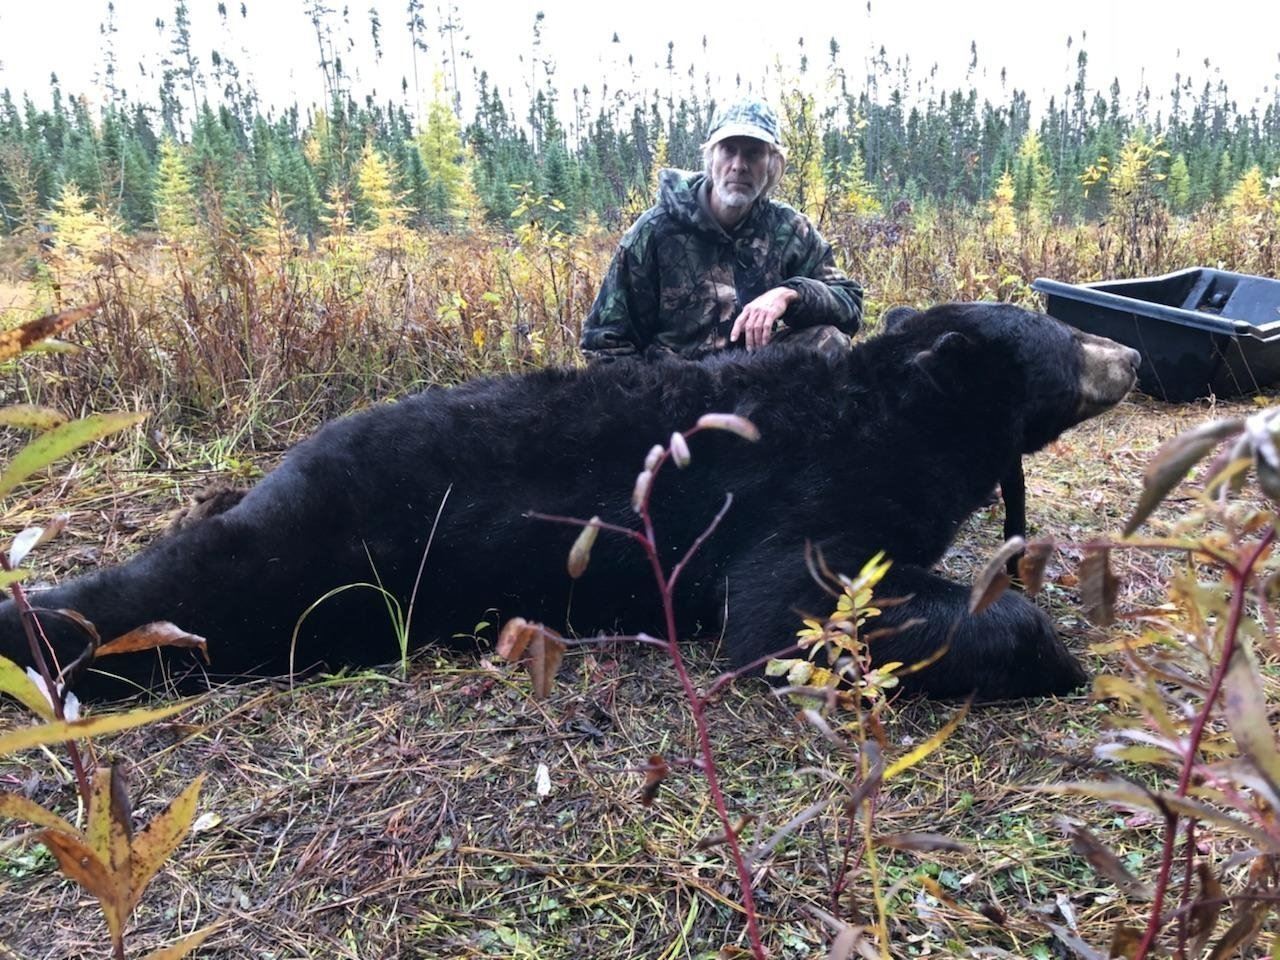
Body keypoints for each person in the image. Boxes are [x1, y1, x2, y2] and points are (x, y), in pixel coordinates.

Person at [581, 98, 863, 361]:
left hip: (754, 379)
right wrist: (651, 393)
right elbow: (603, 341)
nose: (739, 166)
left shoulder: (789, 230)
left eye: (754, 153)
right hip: (676, 384)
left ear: (772, 164)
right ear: (710, 157)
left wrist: (790, 293)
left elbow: (849, 305)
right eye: (729, 150)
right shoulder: (654, 231)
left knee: (828, 341)